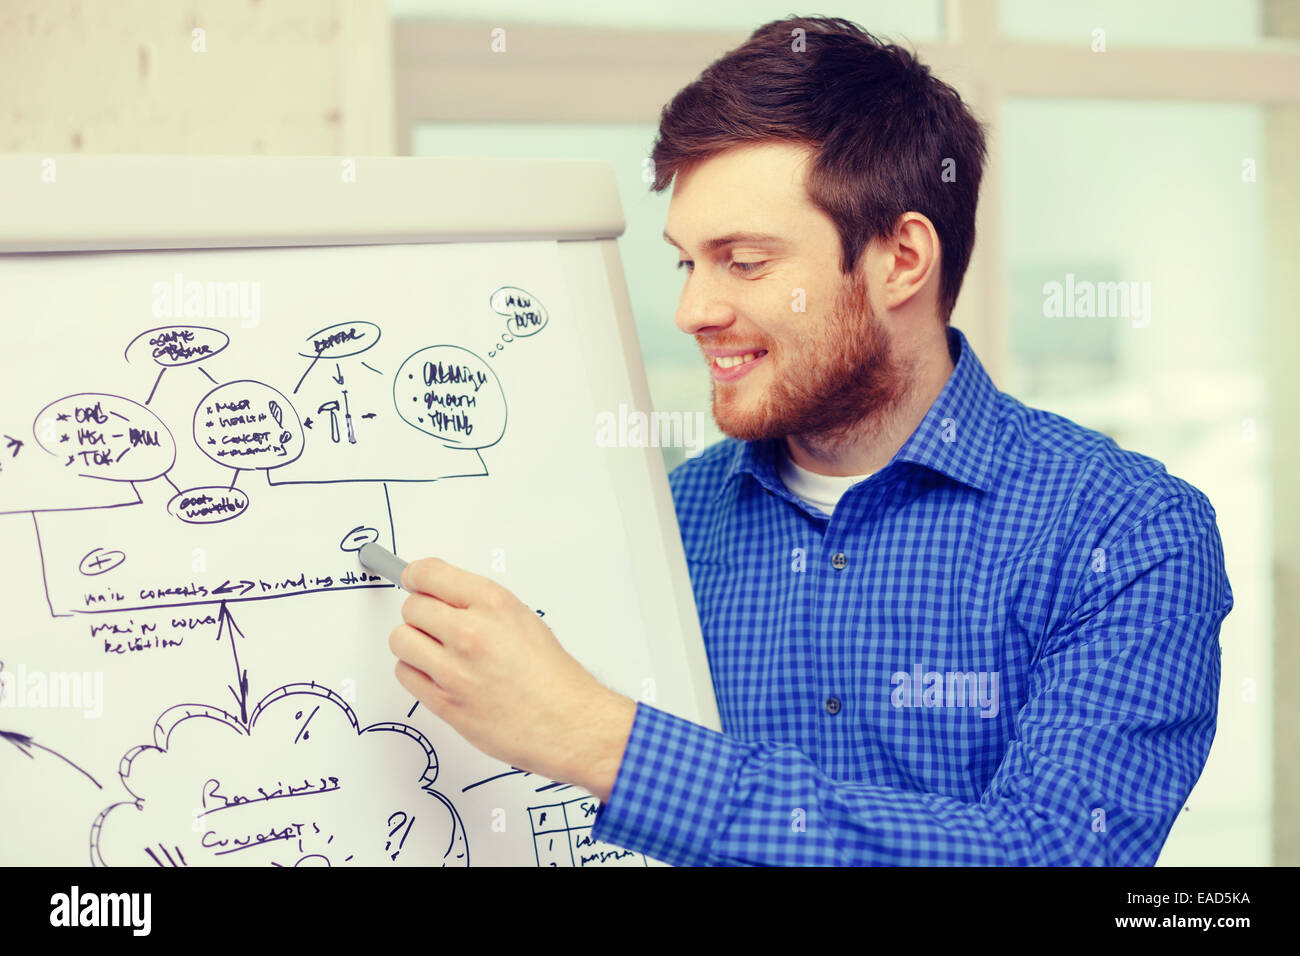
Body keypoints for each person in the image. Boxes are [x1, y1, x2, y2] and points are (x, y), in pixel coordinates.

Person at [387, 15, 1233, 866]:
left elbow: (1051, 853)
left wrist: (600, 739)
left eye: (744, 261)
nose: (692, 312)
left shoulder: (1127, 532)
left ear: (900, 259)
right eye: (687, 262)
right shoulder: (670, 522)